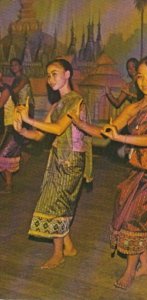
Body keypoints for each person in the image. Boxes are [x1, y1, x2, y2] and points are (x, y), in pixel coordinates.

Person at [68, 56, 147, 289]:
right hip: (136, 167)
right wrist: (80, 124)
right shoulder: (133, 107)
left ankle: (130, 271)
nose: (144, 80)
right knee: (127, 211)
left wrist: (120, 138)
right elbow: (105, 132)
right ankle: (146, 264)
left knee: (135, 219)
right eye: (139, 76)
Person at [14, 58, 92, 269]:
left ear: (67, 75)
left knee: (55, 203)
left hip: (71, 160)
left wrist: (29, 119)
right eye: (48, 75)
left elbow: (58, 129)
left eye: (54, 73)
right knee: (57, 201)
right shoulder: (58, 104)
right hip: (59, 157)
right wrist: (22, 130)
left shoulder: (75, 100)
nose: (50, 79)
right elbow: (40, 135)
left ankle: (58, 254)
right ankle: (68, 246)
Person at [0, 71, 20, 193]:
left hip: (11, 127)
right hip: (4, 127)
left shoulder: (6, 89)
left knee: (4, 155)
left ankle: (9, 185)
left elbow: (1, 104)